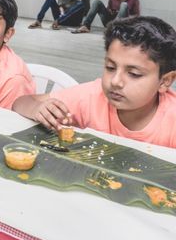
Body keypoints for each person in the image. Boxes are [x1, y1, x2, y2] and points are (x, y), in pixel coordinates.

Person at [13, 16, 176, 148]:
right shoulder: (92, 96)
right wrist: (37, 108)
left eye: (133, 74)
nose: (116, 81)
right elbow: (22, 102)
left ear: (165, 81)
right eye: (110, 67)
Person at [72, 0, 140, 33]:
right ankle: (86, 26)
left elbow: (136, 17)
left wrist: (123, 13)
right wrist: (110, 11)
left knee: (124, 5)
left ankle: (115, 29)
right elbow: (107, 10)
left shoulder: (134, 0)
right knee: (97, 2)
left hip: (123, 25)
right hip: (110, 22)